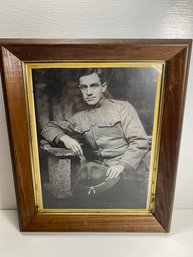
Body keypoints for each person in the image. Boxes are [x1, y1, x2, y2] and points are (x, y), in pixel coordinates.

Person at [41, 68, 150, 208]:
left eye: (94, 85)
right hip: (99, 179)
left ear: (103, 87)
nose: (89, 92)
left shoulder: (123, 108)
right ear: (80, 89)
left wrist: (121, 166)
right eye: (84, 87)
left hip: (129, 176)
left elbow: (139, 142)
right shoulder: (79, 118)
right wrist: (65, 139)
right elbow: (48, 128)